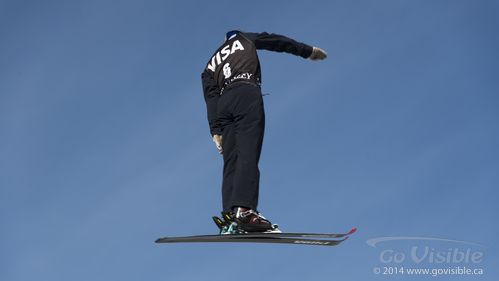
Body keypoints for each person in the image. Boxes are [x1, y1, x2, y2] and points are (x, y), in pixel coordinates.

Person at [201, 30, 327, 233]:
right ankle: (245, 211)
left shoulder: (210, 64)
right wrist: (307, 51)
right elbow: (276, 41)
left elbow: (210, 96)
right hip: (246, 92)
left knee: (231, 161)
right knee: (248, 153)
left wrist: (216, 131)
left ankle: (230, 216)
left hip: (224, 104)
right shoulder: (245, 38)